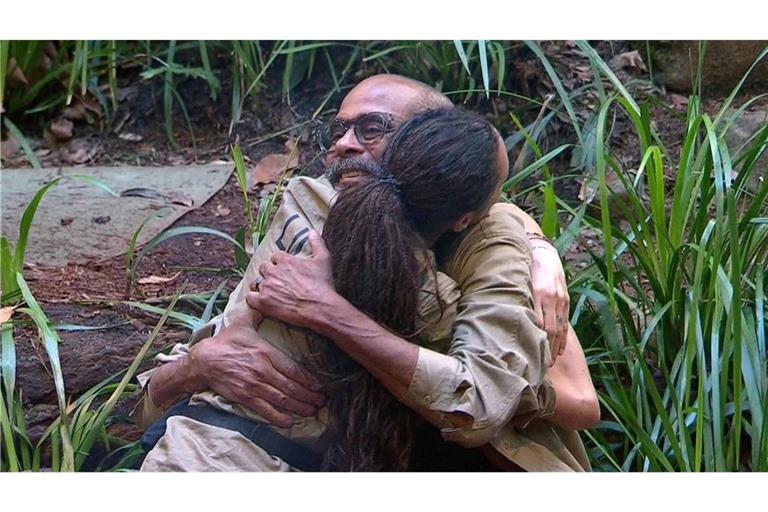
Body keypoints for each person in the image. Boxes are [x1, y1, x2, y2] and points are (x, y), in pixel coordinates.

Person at [134, 75, 599, 471]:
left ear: (430, 141)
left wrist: (329, 310)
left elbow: (554, 400)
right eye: (338, 130)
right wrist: (199, 363)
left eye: (371, 128)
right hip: (226, 456)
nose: (342, 144)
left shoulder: (493, 238)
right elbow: (162, 398)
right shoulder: (312, 205)